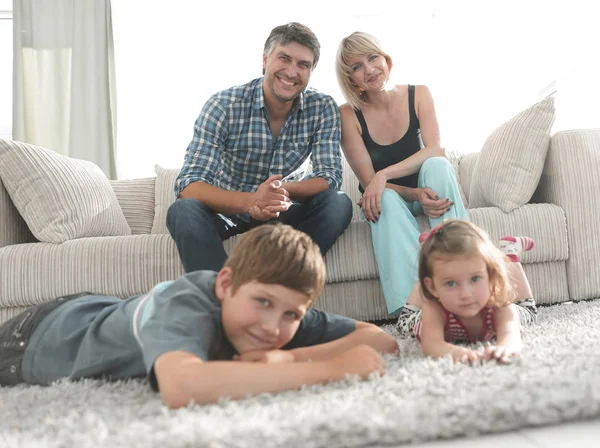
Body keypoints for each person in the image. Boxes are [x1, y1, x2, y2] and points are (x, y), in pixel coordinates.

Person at [0, 224, 399, 408]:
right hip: (37, 337)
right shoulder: (186, 304)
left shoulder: (277, 311)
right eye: (262, 302)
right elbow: (181, 387)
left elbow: (380, 339)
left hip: (103, 309)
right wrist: (329, 368)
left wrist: (287, 356)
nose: (271, 326)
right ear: (225, 285)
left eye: (292, 314)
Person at [168, 22, 352, 273]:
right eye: (284, 58)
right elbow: (189, 185)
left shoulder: (322, 108)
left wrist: (278, 193)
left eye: (303, 64)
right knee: (183, 210)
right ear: (265, 60)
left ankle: (282, 286)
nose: (291, 71)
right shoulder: (223, 105)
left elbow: (329, 176)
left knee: (338, 202)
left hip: (283, 212)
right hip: (227, 211)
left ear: (311, 71)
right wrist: (252, 200)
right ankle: (221, 299)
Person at [335, 31, 469, 315]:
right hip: (390, 198)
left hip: (427, 189)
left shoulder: (418, 94)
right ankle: (414, 308)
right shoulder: (347, 115)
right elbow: (368, 183)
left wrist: (384, 174)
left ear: (386, 60)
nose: (369, 70)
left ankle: (465, 273)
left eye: (373, 58)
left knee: (437, 166)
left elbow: (435, 150)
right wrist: (390, 185)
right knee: (381, 196)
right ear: (350, 79)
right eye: (357, 67)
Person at [396, 219, 537, 364]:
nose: (465, 294)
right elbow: (431, 344)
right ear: (433, 288)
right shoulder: (433, 307)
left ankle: (510, 253)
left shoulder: (500, 305)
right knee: (403, 324)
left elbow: (511, 334)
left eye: (475, 279)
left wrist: (505, 348)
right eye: (451, 283)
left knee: (529, 312)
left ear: (491, 276)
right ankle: (428, 257)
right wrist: (457, 352)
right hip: (426, 313)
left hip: (491, 296)